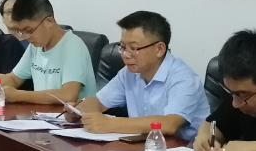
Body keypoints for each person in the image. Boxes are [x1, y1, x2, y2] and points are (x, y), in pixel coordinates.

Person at [75, 11, 209, 143]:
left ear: (159, 49)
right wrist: (80, 111)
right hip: (143, 146)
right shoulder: (128, 73)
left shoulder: (183, 78)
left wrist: (109, 123)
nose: (126, 55)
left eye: (133, 48)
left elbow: (169, 124)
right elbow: (98, 102)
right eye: (122, 47)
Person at [0, 0, 95, 103]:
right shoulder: (36, 46)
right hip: (43, 115)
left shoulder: (73, 46)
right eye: (21, 32)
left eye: (29, 30)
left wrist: (18, 95)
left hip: (71, 117)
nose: (24, 38)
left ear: (49, 22)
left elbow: (68, 95)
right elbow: (14, 79)